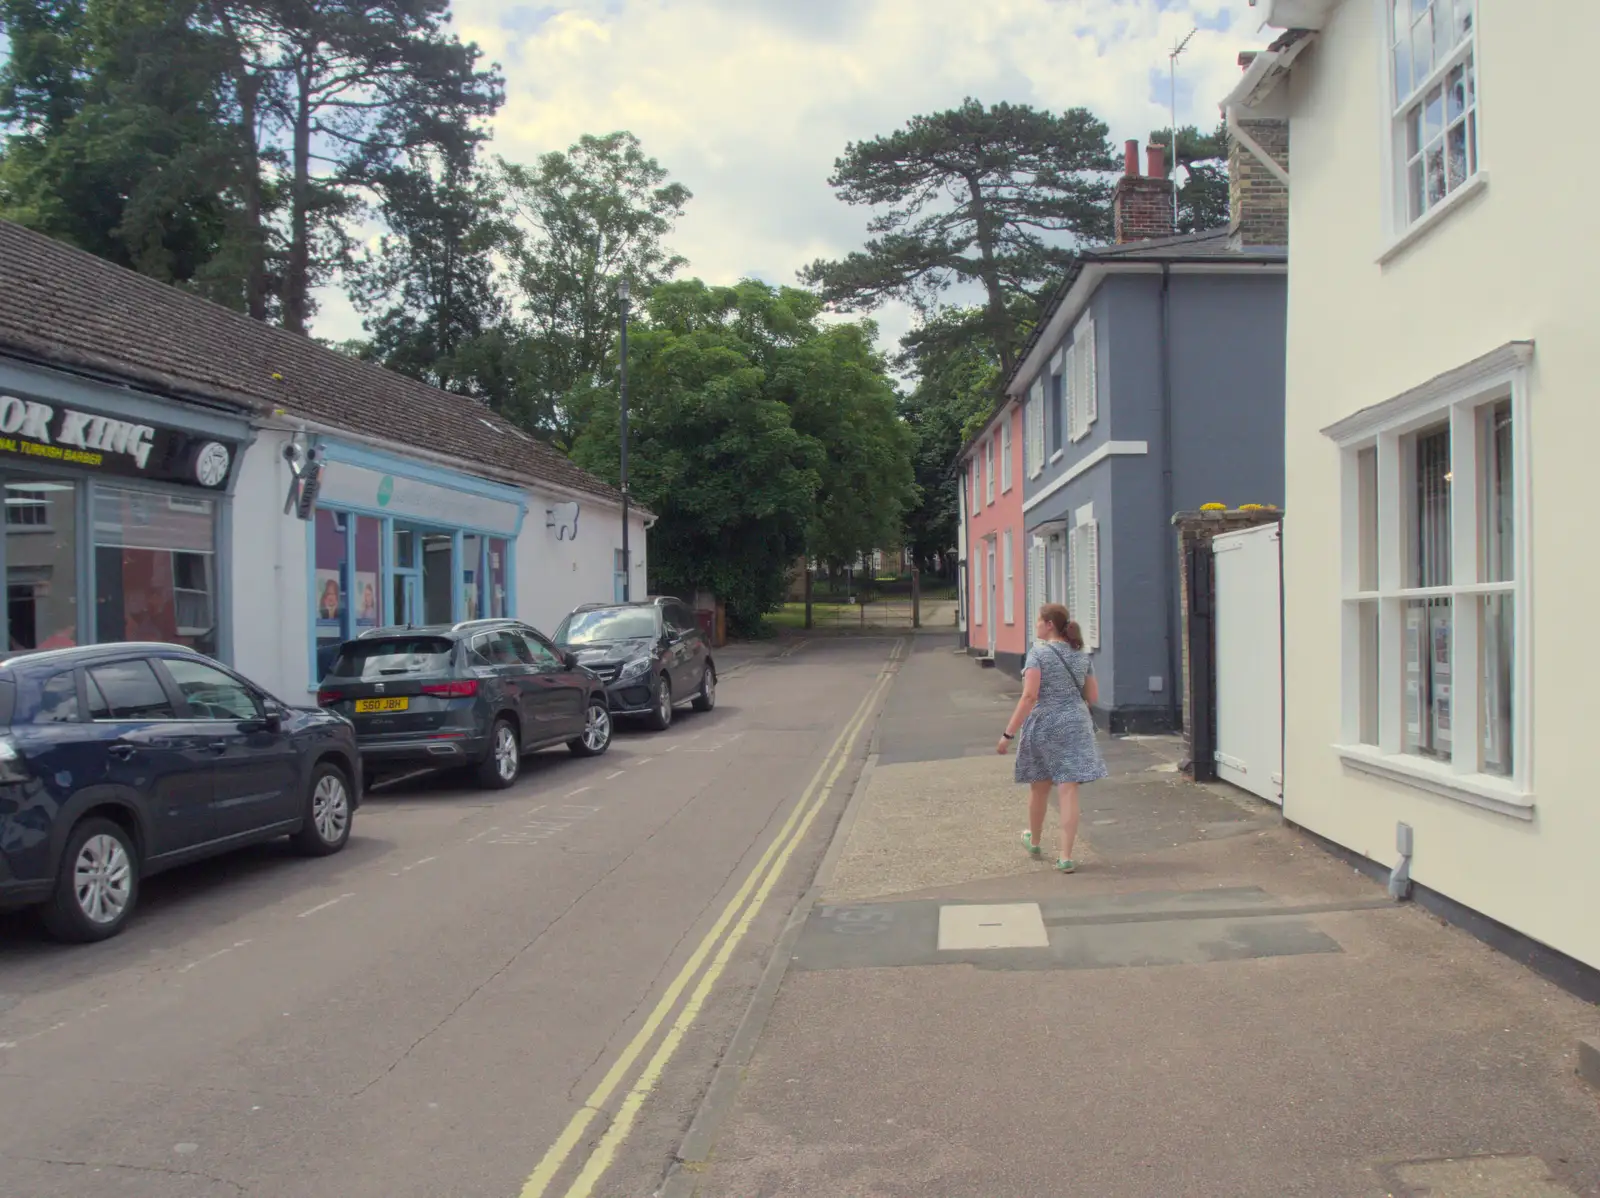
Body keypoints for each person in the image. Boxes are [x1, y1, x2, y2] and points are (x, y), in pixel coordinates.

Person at [996, 603, 1107, 873]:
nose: (1035, 626)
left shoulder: (1038, 655)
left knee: (1040, 785)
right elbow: (1092, 697)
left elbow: (1029, 696)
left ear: (1048, 625)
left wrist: (1008, 733)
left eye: (1038, 621)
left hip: (1046, 724)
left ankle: (1034, 841)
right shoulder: (1081, 656)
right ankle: (1066, 856)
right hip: (1076, 724)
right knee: (1068, 790)